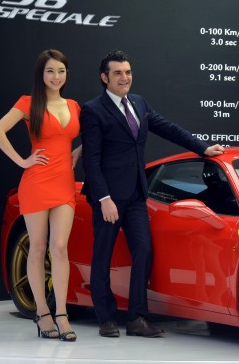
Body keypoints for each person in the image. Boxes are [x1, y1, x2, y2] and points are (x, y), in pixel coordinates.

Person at [80, 50, 225, 338]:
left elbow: (168, 128)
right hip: (108, 198)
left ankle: (136, 319)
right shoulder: (93, 110)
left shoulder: (138, 103)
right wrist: (104, 199)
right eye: (118, 72)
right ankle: (106, 318)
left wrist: (203, 148)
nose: (125, 77)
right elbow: (91, 161)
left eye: (128, 71)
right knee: (103, 257)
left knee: (144, 252)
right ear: (104, 77)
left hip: (136, 194)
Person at [0, 49, 80, 342]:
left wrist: (76, 153)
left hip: (65, 183)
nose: (56, 77)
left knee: (61, 248)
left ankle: (62, 314)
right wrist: (23, 161)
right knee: (38, 248)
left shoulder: (74, 106)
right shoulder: (28, 103)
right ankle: (43, 314)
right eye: (50, 71)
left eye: (61, 71)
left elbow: (83, 139)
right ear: (41, 74)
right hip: (37, 182)